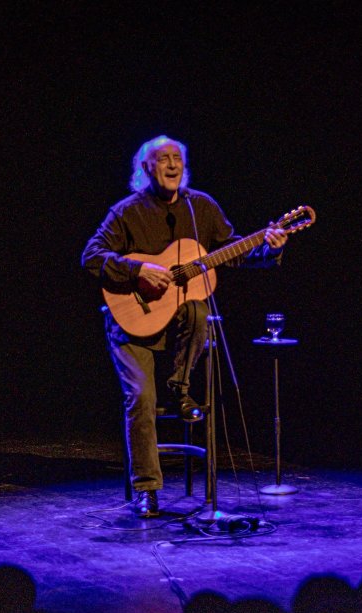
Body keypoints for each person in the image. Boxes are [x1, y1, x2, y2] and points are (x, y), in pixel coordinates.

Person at [82, 135, 288, 517]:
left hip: (178, 327)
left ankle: (179, 387)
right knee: (141, 400)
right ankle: (148, 490)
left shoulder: (201, 207)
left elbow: (235, 251)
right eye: (163, 159)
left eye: (177, 158)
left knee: (198, 308)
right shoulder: (126, 211)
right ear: (147, 169)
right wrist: (137, 268)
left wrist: (270, 246)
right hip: (130, 325)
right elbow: (90, 256)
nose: (172, 164)